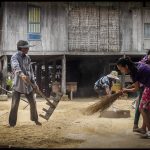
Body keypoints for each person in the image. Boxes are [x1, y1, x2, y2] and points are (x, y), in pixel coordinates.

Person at [9, 40, 42, 127]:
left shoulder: (28, 58)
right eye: (26, 47)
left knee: (33, 102)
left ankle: (35, 120)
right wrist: (22, 75)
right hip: (18, 85)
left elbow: (31, 71)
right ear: (21, 49)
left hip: (29, 85)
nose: (28, 49)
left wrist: (35, 84)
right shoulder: (14, 57)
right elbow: (16, 67)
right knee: (15, 104)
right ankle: (12, 124)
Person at [117, 56, 150, 138]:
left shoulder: (133, 72)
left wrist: (125, 90)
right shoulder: (136, 65)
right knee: (146, 109)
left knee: (142, 108)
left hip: (149, 86)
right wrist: (126, 88)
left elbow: (136, 89)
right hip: (147, 85)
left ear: (126, 66)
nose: (121, 71)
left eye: (121, 69)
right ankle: (144, 129)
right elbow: (137, 83)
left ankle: (149, 132)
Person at [133, 49, 150, 133]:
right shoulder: (143, 61)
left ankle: (144, 128)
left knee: (143, 108)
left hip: (146, 86)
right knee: (142, 106)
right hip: (144, 85)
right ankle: (139, 126)